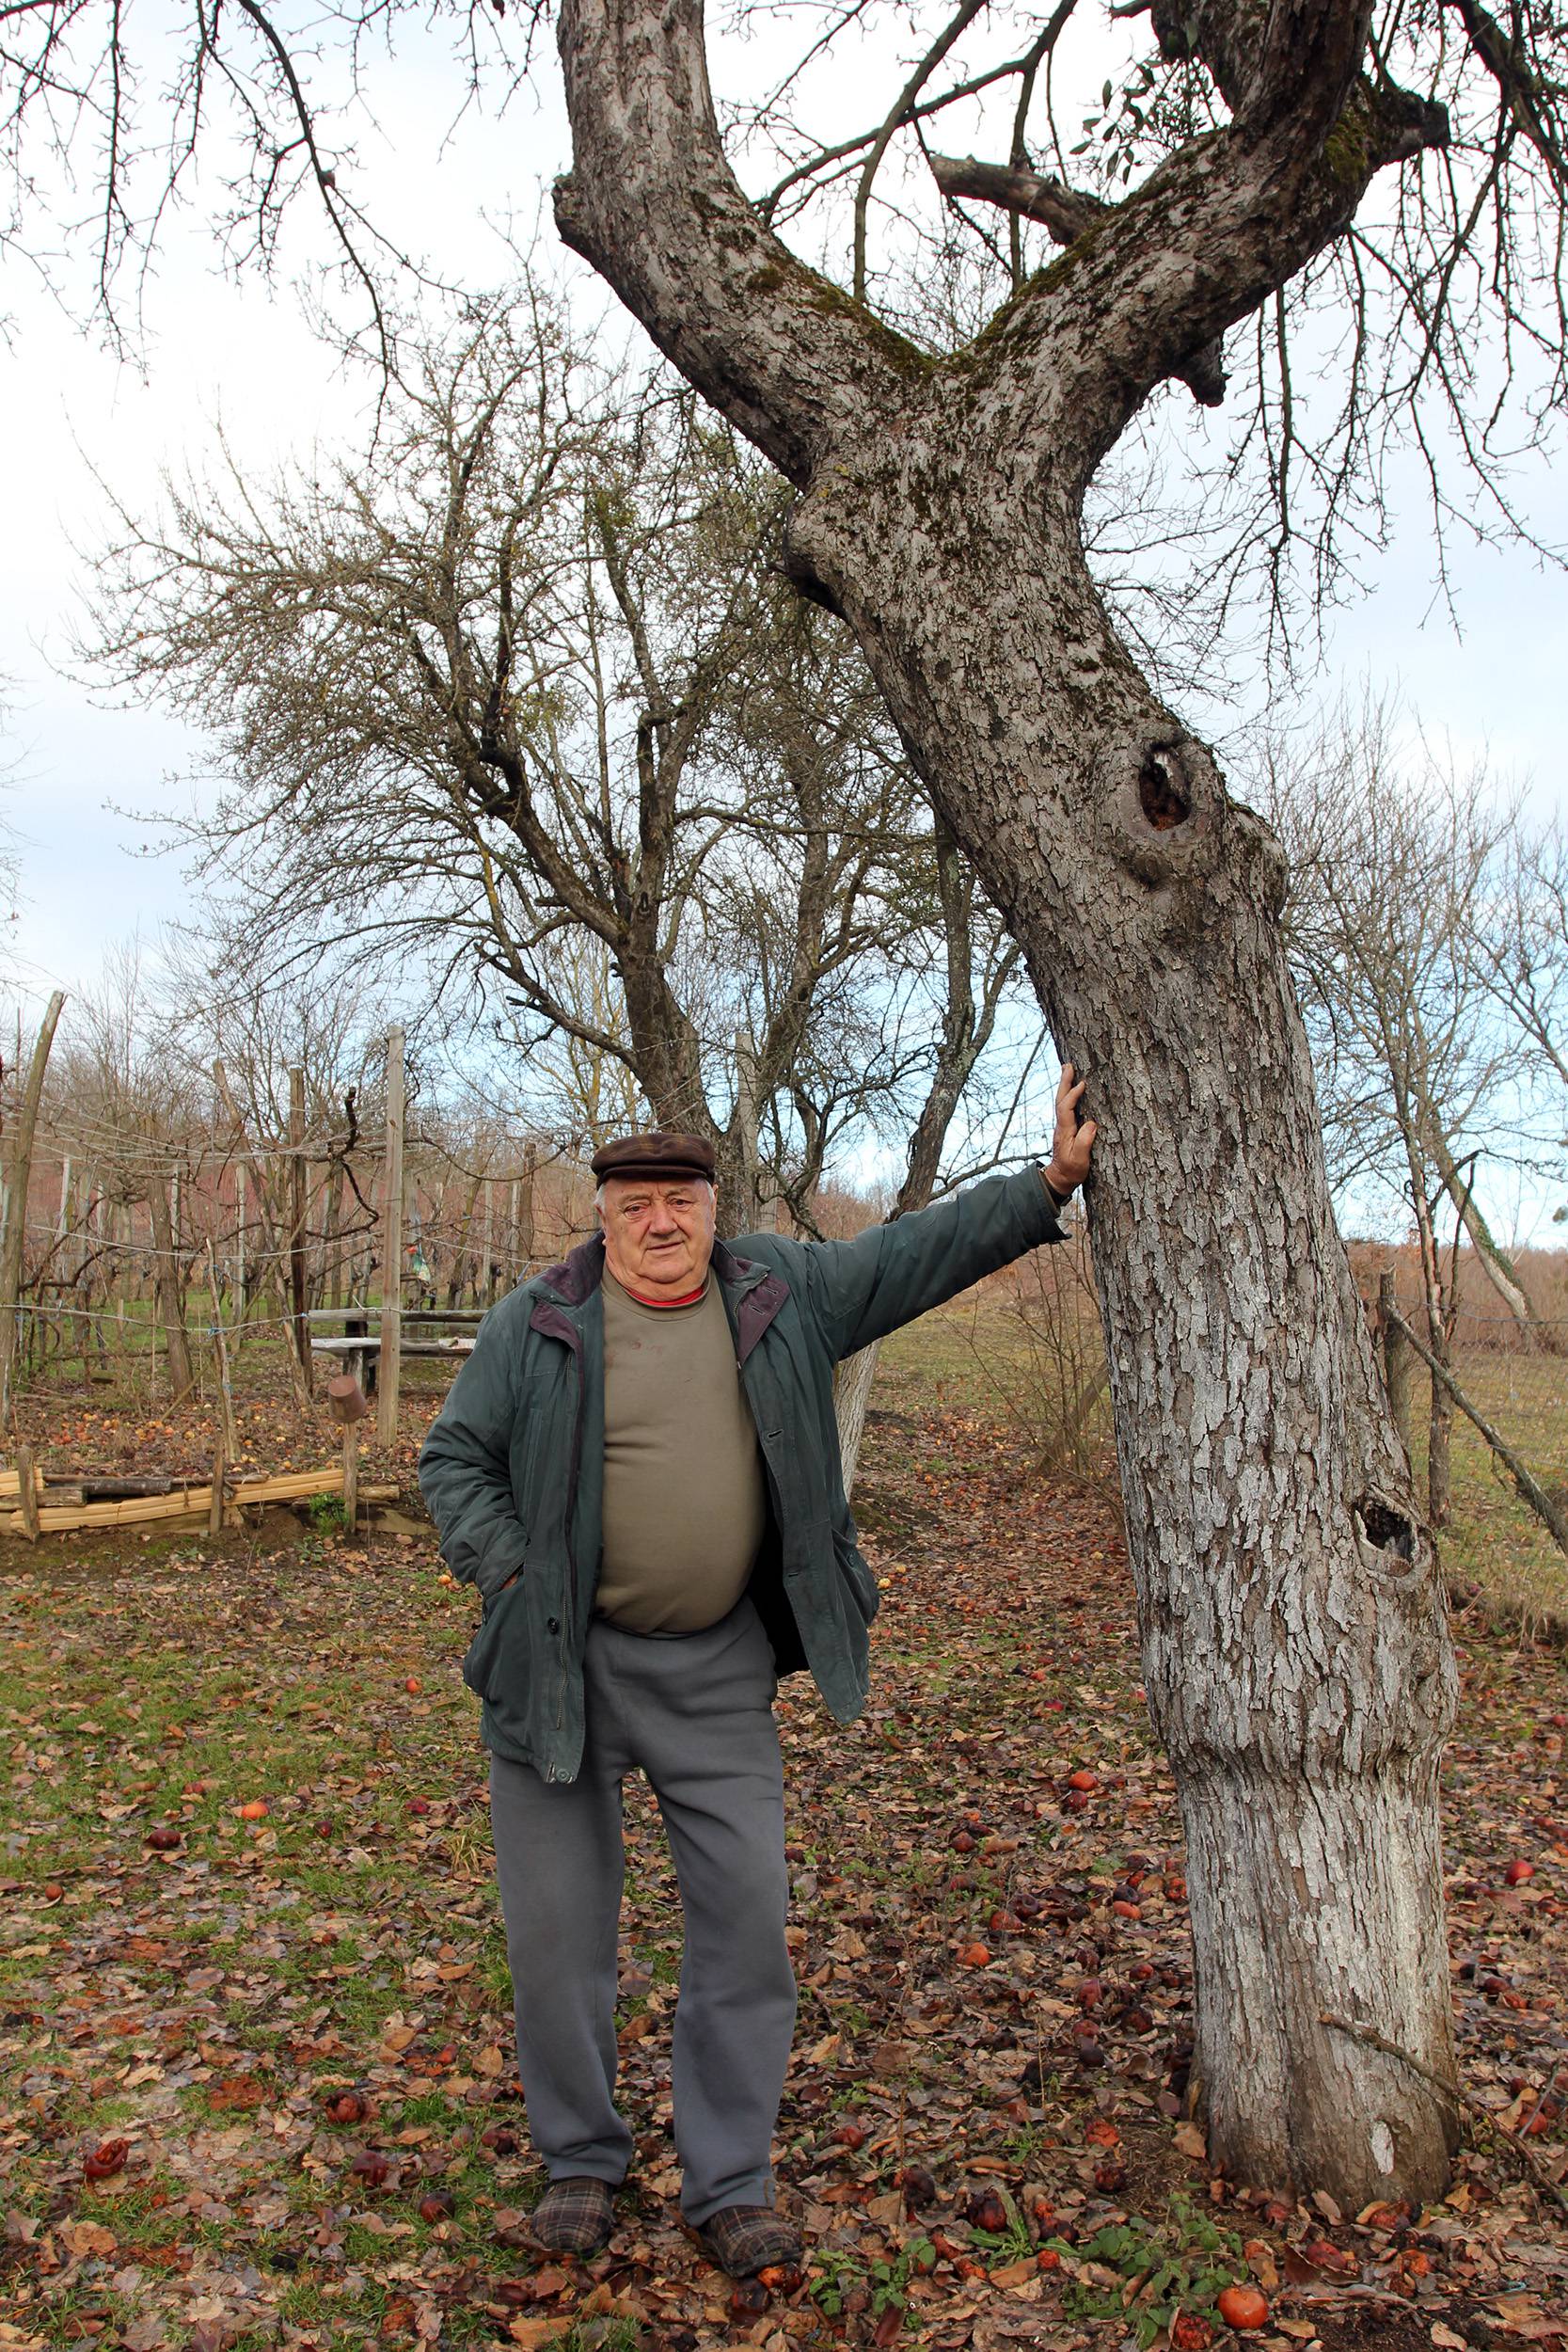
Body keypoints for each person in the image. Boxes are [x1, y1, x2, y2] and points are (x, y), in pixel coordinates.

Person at [417, 1066, 1098, 2280]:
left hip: (719, 1669)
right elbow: (454, 1460)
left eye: (681, 1196)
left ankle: (727, 2180)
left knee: (746, 1922)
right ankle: (580, 2163)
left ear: (712, 1204)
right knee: (560, 1939)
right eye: (637, 1203)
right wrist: (512, 1578)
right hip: (560, 1667)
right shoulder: (541, 1321)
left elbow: (915, 1254)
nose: (662, 1220)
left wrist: (1047, 1183)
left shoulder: (781, 1292)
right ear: (604, 1215)